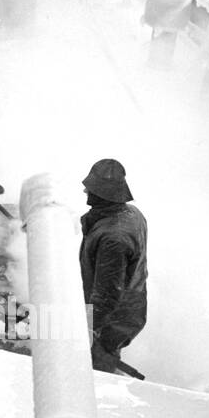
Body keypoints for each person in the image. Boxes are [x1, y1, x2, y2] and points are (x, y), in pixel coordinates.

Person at [79, 159, 148, 374]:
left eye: (90, 188)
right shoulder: (132, 214)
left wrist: (88, 329)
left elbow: (107, 295)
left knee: (95, 372)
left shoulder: (114, 238)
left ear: (101, 194)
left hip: (111, 321)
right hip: (127, 311)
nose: (85, 191)